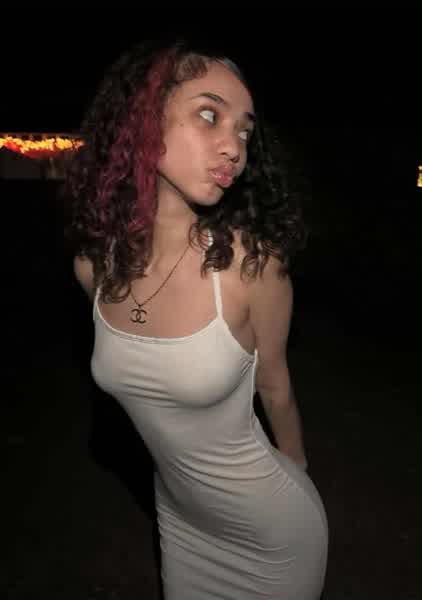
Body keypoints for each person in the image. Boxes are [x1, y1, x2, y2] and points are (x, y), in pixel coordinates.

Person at [64, 36, 328, 600]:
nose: (234, 147)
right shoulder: (94, 268)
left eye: (245, 131)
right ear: (143, 118)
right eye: (210, 115)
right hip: (181, 523)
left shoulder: (251, 267)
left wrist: (299, 477)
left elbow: (276, 386)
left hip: (272, 533)